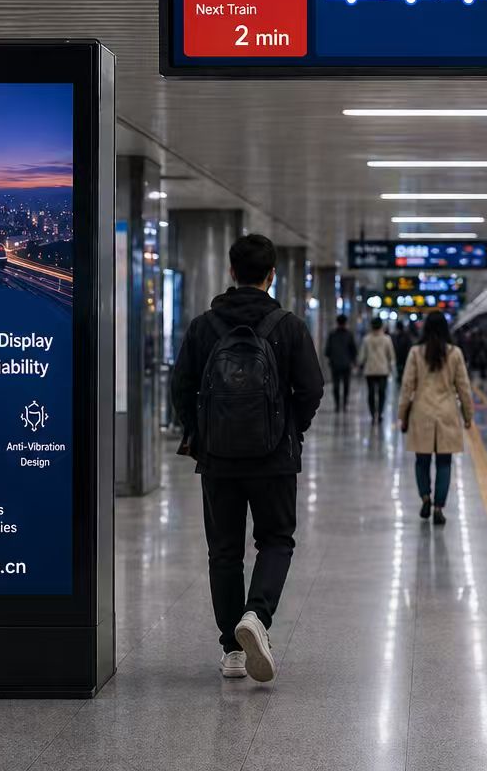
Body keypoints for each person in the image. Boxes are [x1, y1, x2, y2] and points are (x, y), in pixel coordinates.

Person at [170, 233, 323, 683]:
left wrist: (201, 433)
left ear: (232, 272)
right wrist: (290, 430)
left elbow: (181, 388)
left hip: (218, 459)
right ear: (271, 275)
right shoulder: (288, 326)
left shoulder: (204, 326)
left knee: (224, 552)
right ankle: (256, 616)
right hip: (274, 457)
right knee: (276, 540)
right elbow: (311, 389)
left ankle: (232, 651)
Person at [399, 311, 474, 526]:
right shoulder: (455, 353)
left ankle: (425, 497)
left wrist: (402, 414)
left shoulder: (415, 353)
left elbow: (407, 387)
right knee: (444, 462)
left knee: (421, 461)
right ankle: (439, 507)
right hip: (447, 413)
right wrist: (468, 415)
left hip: (421, 412)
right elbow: (464, 388)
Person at [358, 317, 395, 421]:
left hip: (370, 371)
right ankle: (380, 413)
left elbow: (362, 356)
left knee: (371, 393)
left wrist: (360, 365)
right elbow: (391, 355)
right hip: (383, 370)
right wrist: (391, 368)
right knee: (382, 393)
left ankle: (372, 413)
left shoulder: (366, 339)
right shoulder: (387, 339)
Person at [323, 314, 358, 412]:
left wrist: (331, 358)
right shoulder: (349, 334)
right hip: (346, 364)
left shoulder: (332, 334)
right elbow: (353, 350)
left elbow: (327, 350)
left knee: (336, 385)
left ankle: (338, 405)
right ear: (345, 323)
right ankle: (344, 404)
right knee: (346, 385)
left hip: (335, 364)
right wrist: (354, 361)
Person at [393, 320, 416, 385]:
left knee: (403, 371)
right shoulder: (398, 336)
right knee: (400, 371)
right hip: (401, 358)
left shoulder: (403, 336)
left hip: (404, 358)